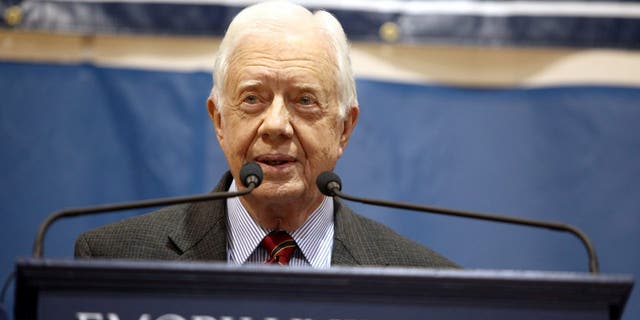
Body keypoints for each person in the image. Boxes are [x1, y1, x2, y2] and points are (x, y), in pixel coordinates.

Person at [75, 1, 457, 269]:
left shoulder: (423, 284)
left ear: (344, 128)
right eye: (253, 98)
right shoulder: (114, 259)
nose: (275, 125)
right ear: (220, 121)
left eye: (304, 100)